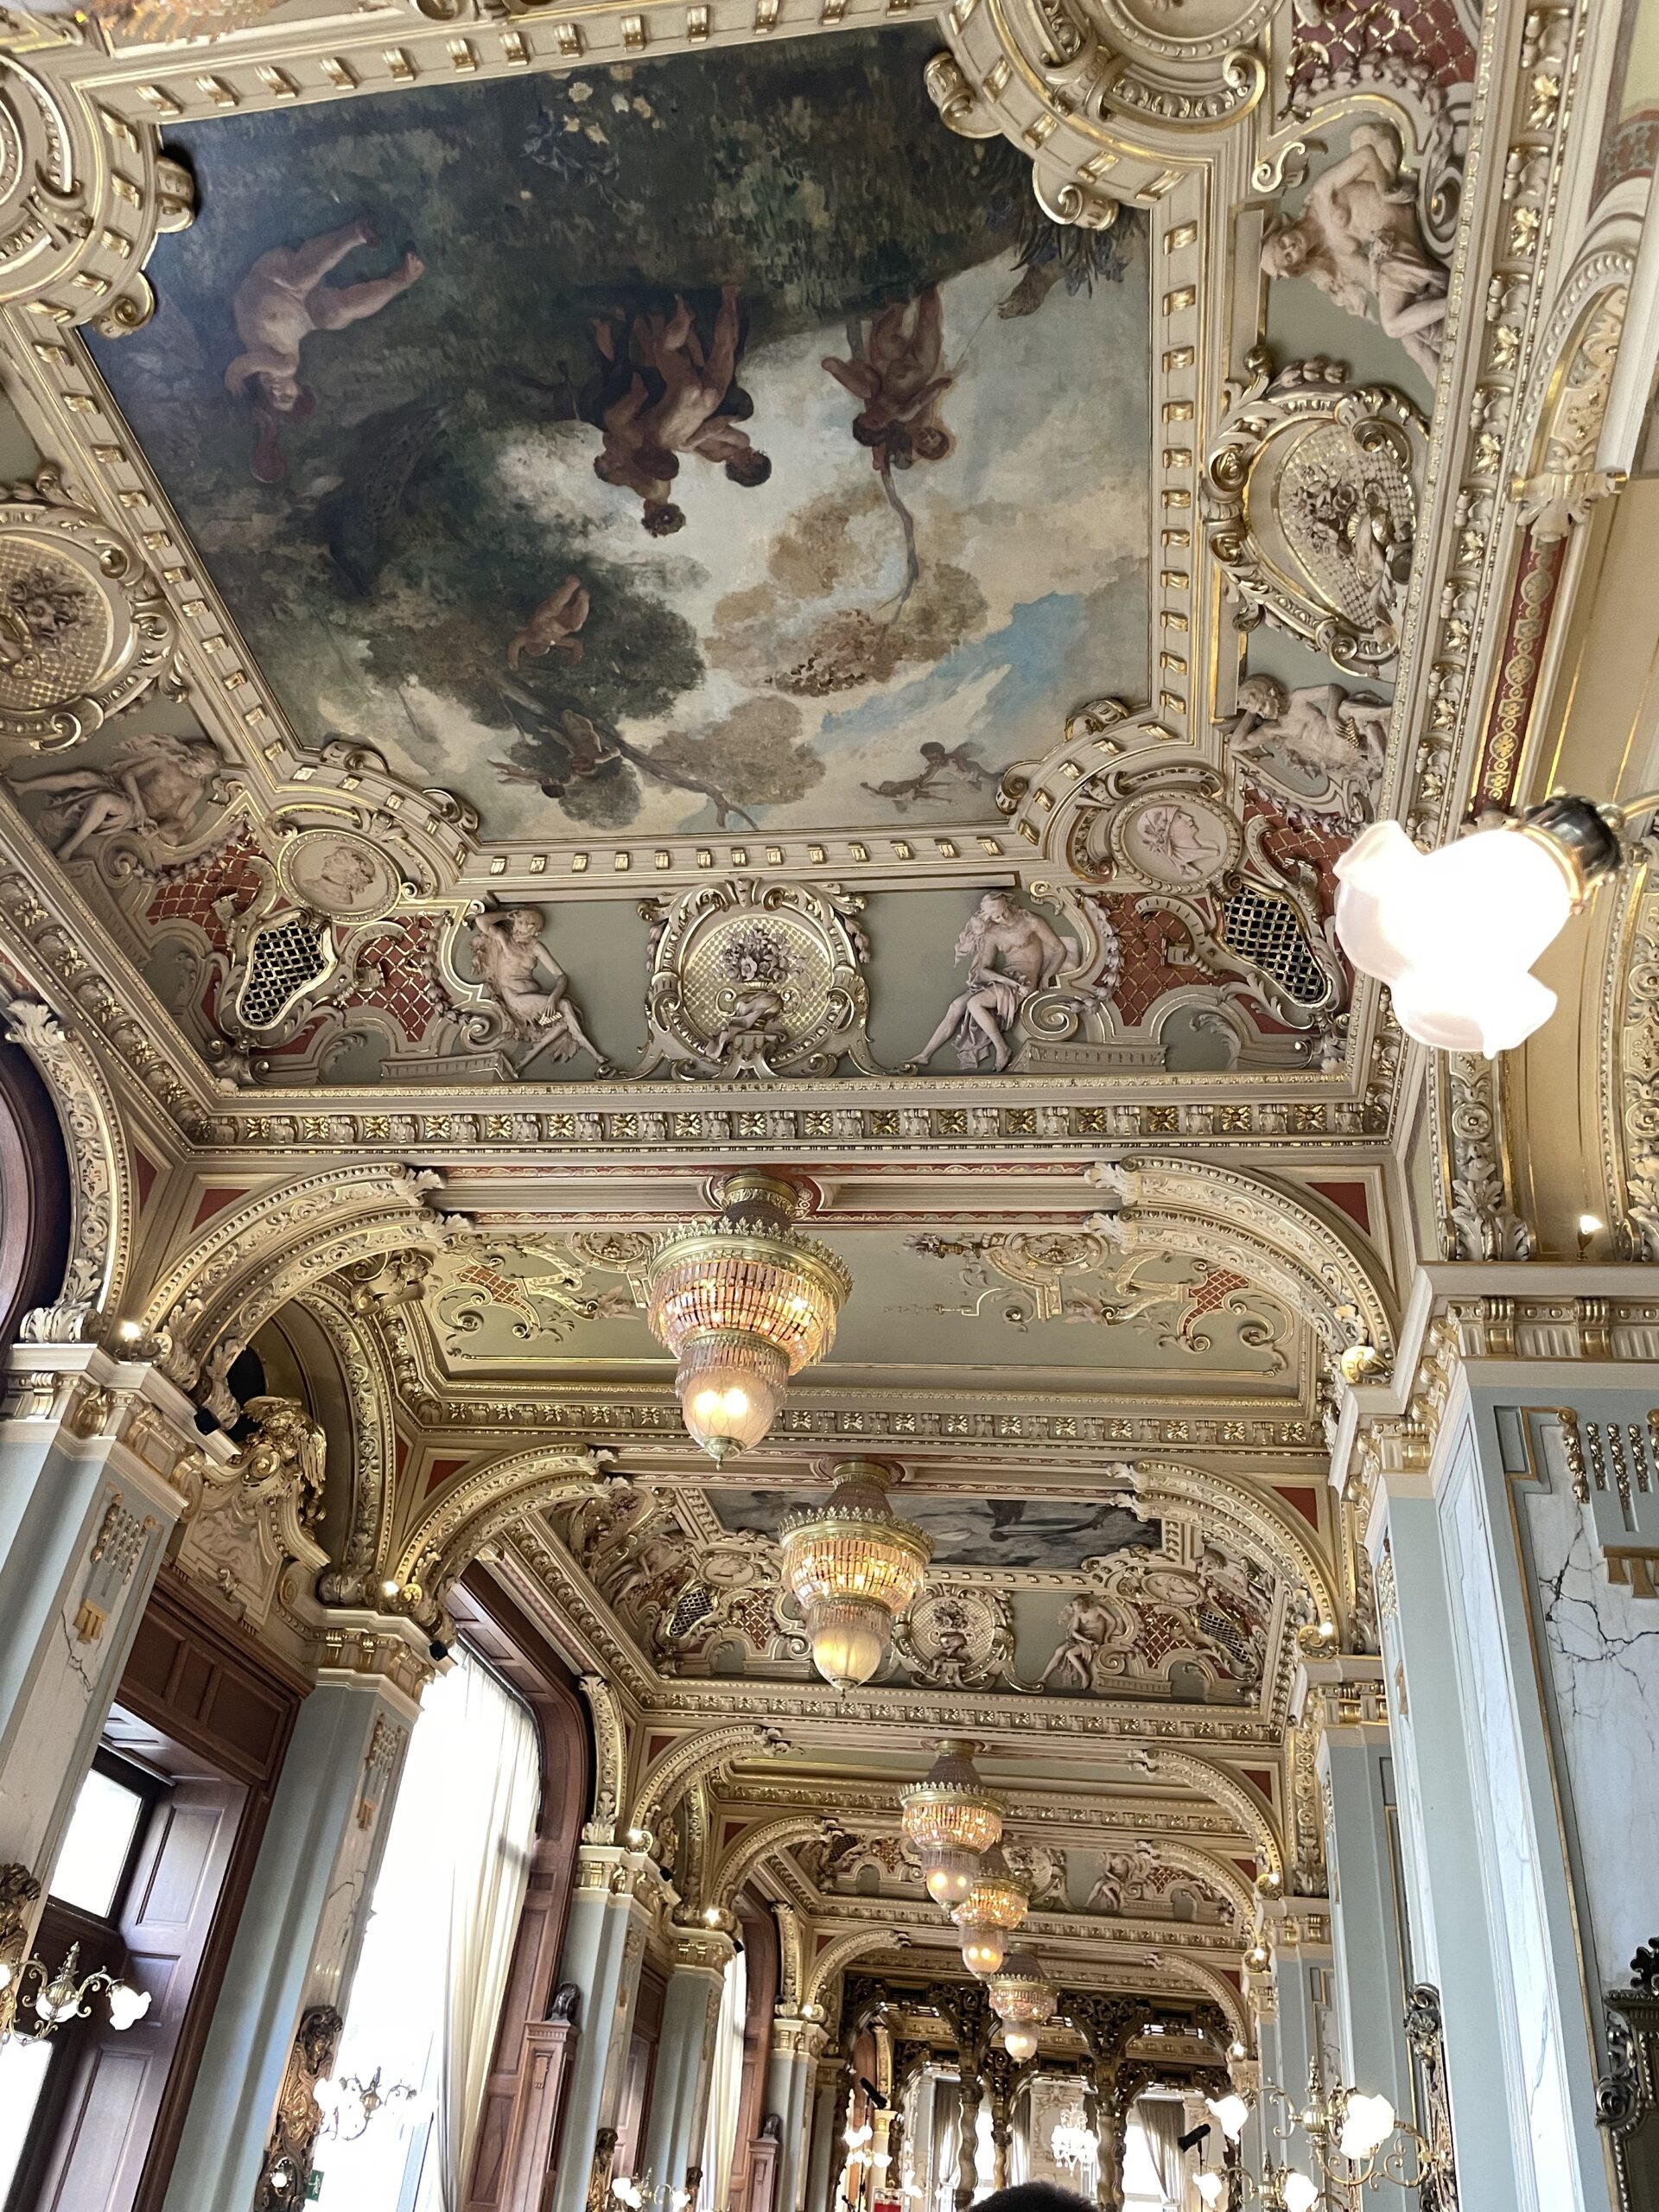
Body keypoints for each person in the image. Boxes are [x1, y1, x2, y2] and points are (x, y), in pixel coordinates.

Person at [224, 217, 424, 482]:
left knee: (301, 276)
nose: (276, 392)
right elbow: (245, 368)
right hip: (300, 310)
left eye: (273, 398)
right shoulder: (286, 365)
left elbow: (242, 366)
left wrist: (234, 377)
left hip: (273, 278)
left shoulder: (267, 365)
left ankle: (356, 232)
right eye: (286, 396)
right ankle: (401, 281)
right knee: (336, 313)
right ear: (298, 388)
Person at [1259, 125, 1446, 380]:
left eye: (1283, 244)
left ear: (1284, 231)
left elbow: (1366, 155)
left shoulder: (1322, 194)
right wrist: (1376, 260)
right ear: (1299, 265)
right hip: (1393, 244)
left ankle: (1456, 303)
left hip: (1396, 222)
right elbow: (1374, 283)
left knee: (1392, 324)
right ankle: (1450, 384)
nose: (1291, 248)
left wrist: (1383, 188)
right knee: (1411, 340)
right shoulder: (1334, 252)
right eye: (1289, 257)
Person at [911, 891, 1071, 1071]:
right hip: (1006, 980)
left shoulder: (1030, 922)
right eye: (996, 917)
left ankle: (1002, 1049)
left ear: (1008, 904)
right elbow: (984, 969)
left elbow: (1058, 949)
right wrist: (1006, 981)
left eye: (1004, 912)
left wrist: (1046, 976)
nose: (1003, 918)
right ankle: (925, 1055)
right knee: (956, 1006)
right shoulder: (993, 933)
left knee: (975, 1004)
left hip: (1024, 981)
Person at [14, 729, 224, 861]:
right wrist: (140, 805)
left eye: (203, 772)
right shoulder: (165, 762)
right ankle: (23, 786)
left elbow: (177, 819)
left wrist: (155, 826)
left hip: (136, 815)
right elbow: (129, 775)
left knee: (105, 801)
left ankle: (69, 847)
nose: (198, 774)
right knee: (85, 777)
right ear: (193, 756)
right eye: (200, 767)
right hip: (129, 795)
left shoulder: (195, 789)